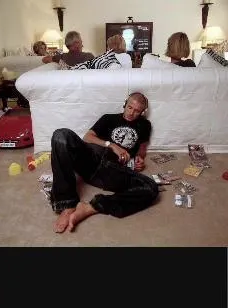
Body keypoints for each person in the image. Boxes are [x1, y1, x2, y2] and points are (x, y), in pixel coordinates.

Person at [46, 92, 159, 233]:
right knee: (61, 135)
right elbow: (87, 137)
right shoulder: (108, 118)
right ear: (125, 104)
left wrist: (139, 158)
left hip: (112, 170)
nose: (131, 113)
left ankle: (90, 207)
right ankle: (67, 204)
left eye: (137, 111)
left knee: (151, 187)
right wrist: (111, 145)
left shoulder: (145, 125)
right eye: (130, 107)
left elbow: (142, 148)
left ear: (142, 112)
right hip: (91, 160)